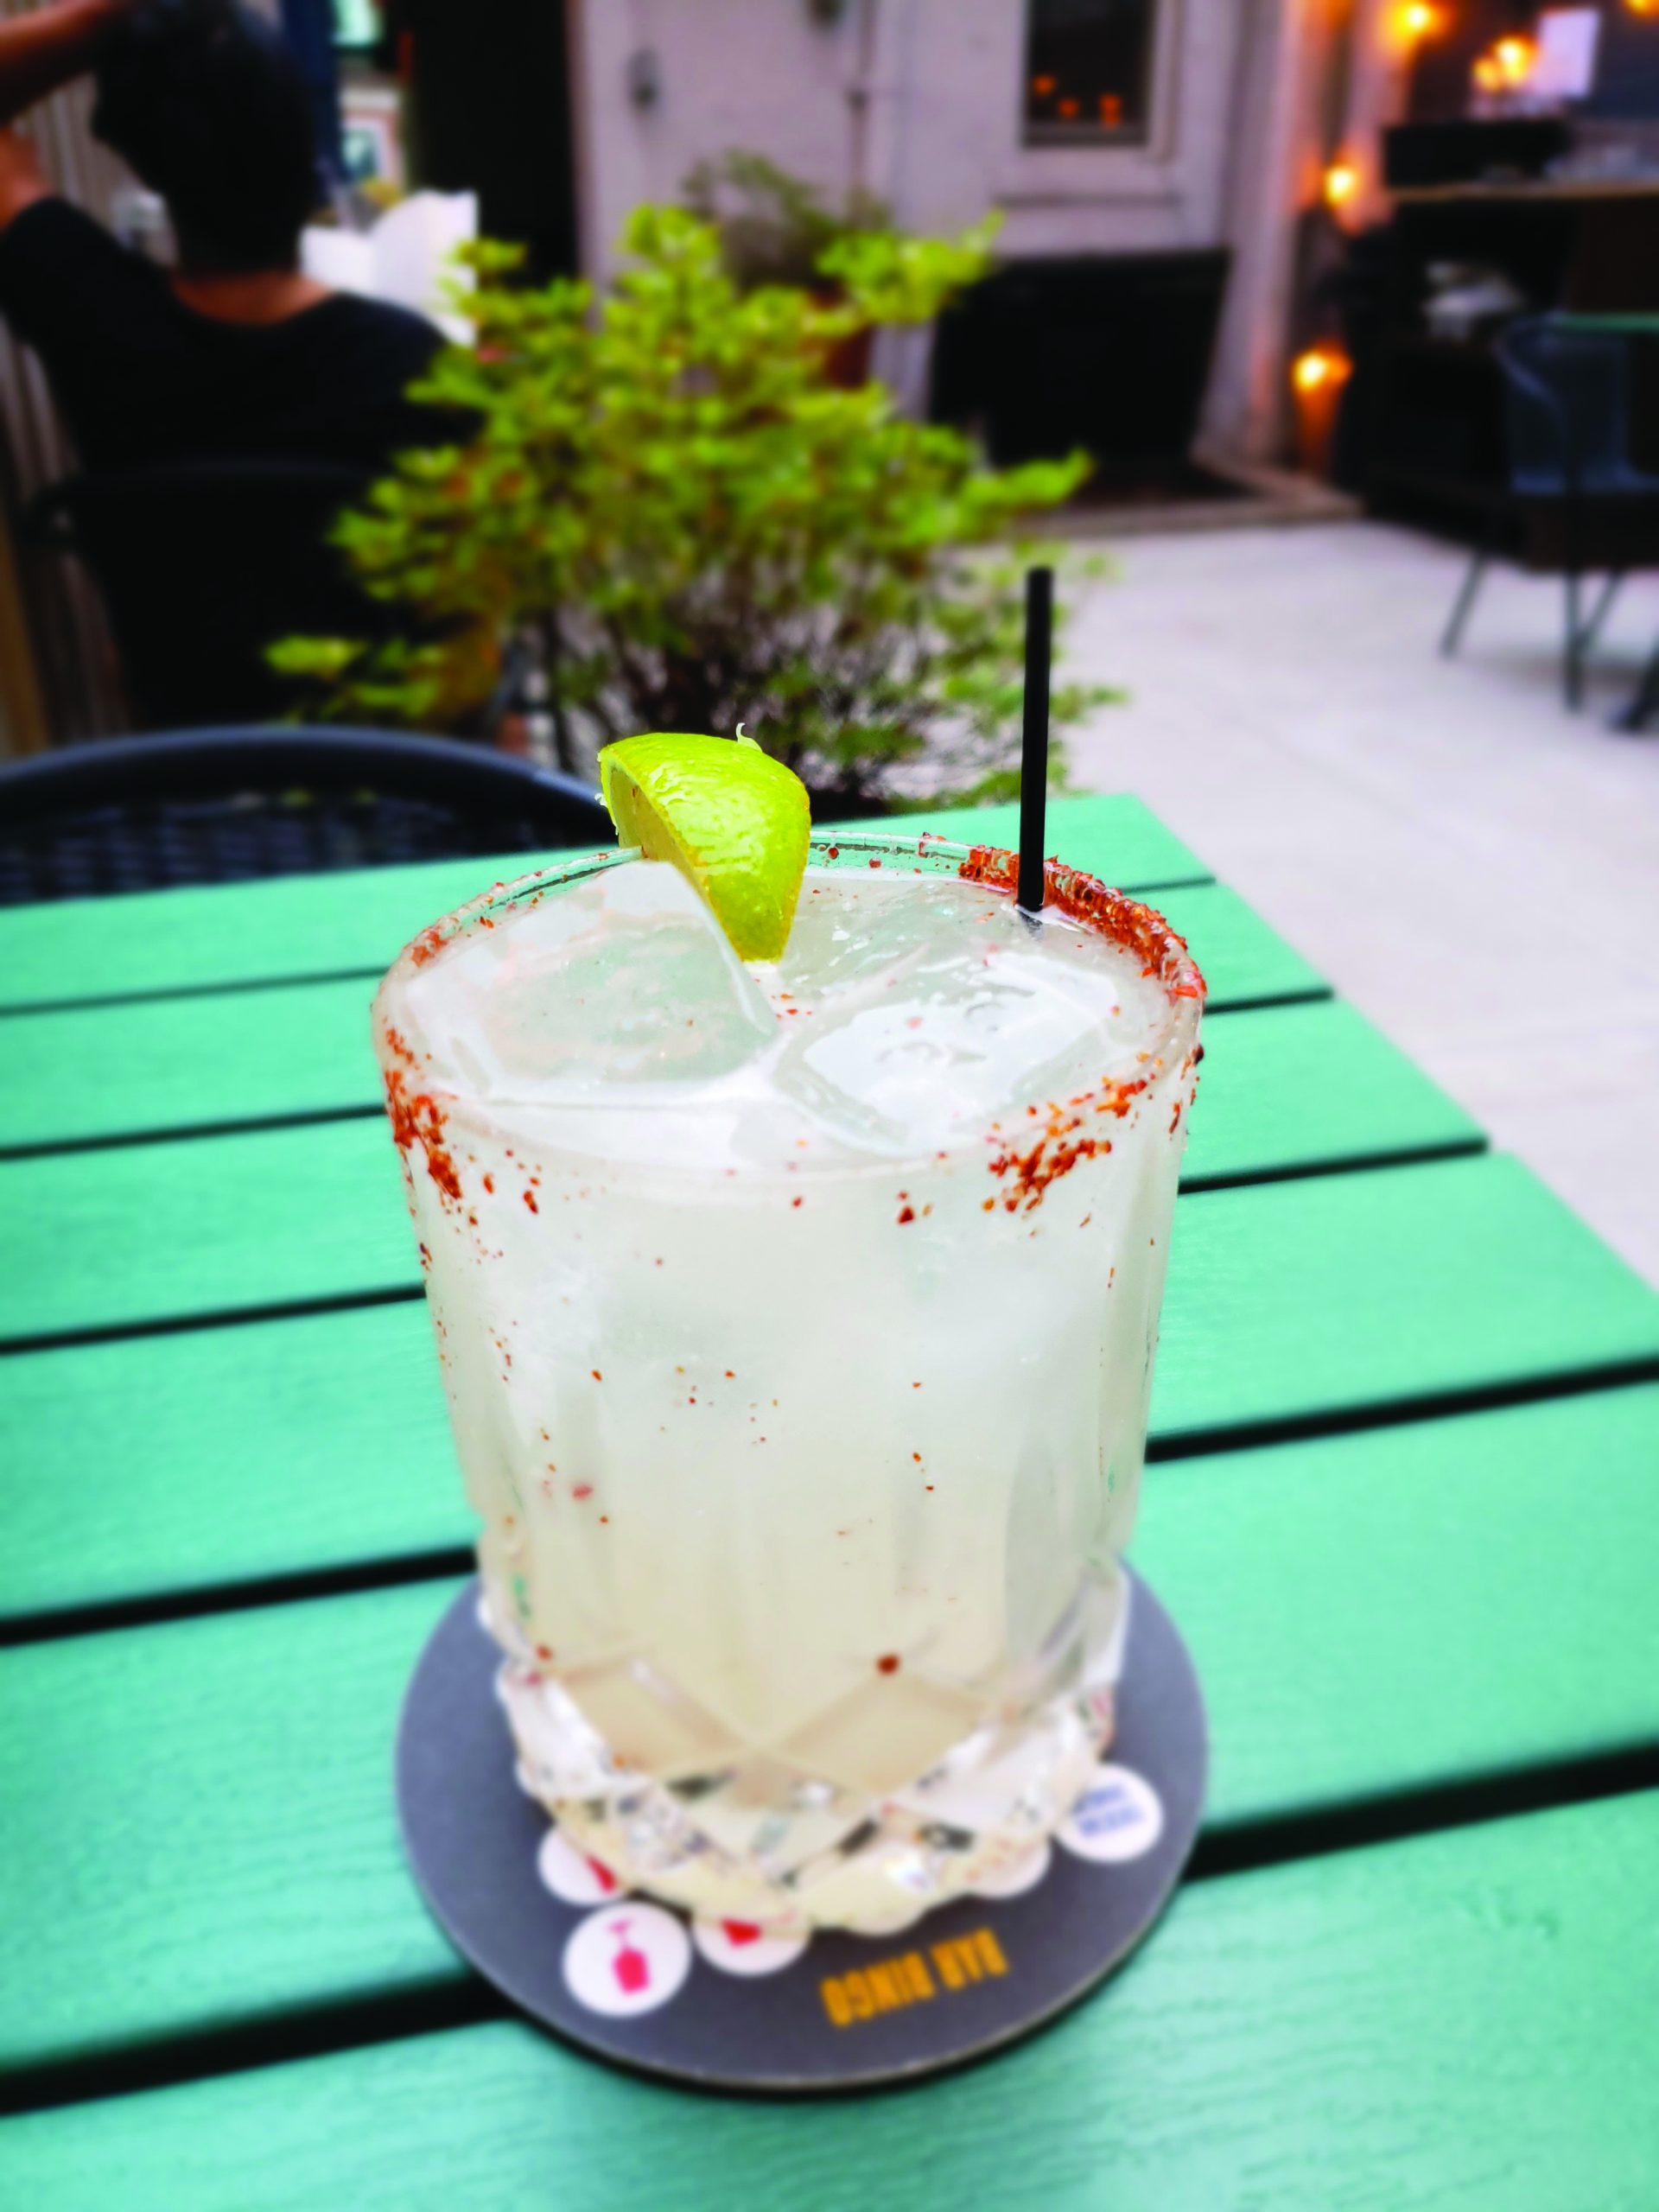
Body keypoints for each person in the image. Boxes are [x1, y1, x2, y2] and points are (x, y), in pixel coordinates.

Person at [0, 0, 448, 474]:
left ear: (141, 165)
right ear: (303, 138)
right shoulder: (411, 362)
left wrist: (106, 16)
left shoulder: (89, 314)